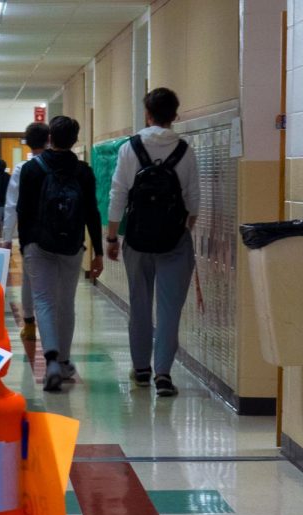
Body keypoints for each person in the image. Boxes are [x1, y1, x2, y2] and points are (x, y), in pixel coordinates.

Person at [105, 87, 200, 397]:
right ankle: (163, 374)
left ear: (147, 114)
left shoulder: (129, 148)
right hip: (174, 240)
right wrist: (182, 229)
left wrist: (112, 236)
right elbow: (194, 200)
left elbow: (118, 193)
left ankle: (141, 369)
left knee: (140, 305)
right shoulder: (185, 150)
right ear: (174, 116)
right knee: (170, 310)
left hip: (137, 239)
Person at [16, 116, 104, 391]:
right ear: (75, 141)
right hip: (72, 245)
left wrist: (24, 245)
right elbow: (92, 212)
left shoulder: (32, 169)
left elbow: (23, 211)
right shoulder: (84, 172)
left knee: (43, 300)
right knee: (66, 302)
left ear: (50, 138)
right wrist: (98, 252)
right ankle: (64, 361)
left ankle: (51, 359)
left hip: (38, 244)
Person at [1, 122, 50, 341]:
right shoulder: (60, 165)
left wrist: (6, 238)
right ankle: (53, 329)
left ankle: (29, 324)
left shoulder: (23, 169)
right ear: (49, 139)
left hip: (31, 234)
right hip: (59, 233)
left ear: (28, 144)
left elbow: (12, 206)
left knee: (30, 281)